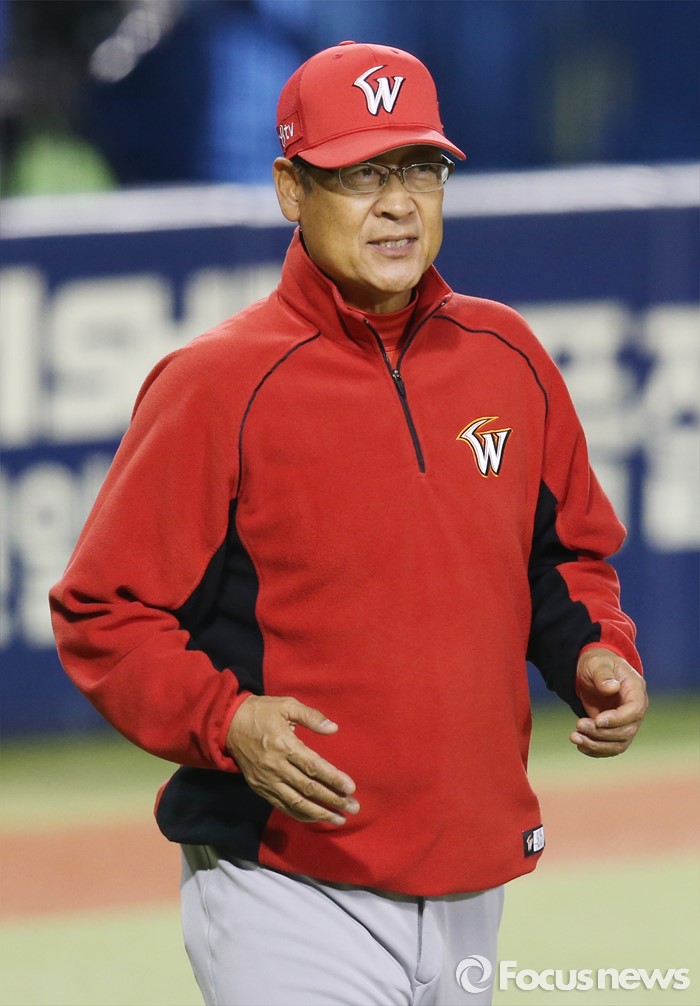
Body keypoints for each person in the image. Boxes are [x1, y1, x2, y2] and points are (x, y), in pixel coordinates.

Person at [50, 41, 648, 1006]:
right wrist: (225, 720)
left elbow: (561, 556)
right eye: (362, 173)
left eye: (420, 169)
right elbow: (102, 612)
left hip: (469, 870)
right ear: (292, 189)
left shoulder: (507, 356)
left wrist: (594, 651)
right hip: (283, 881)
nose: (399, 203)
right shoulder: (218, 383)